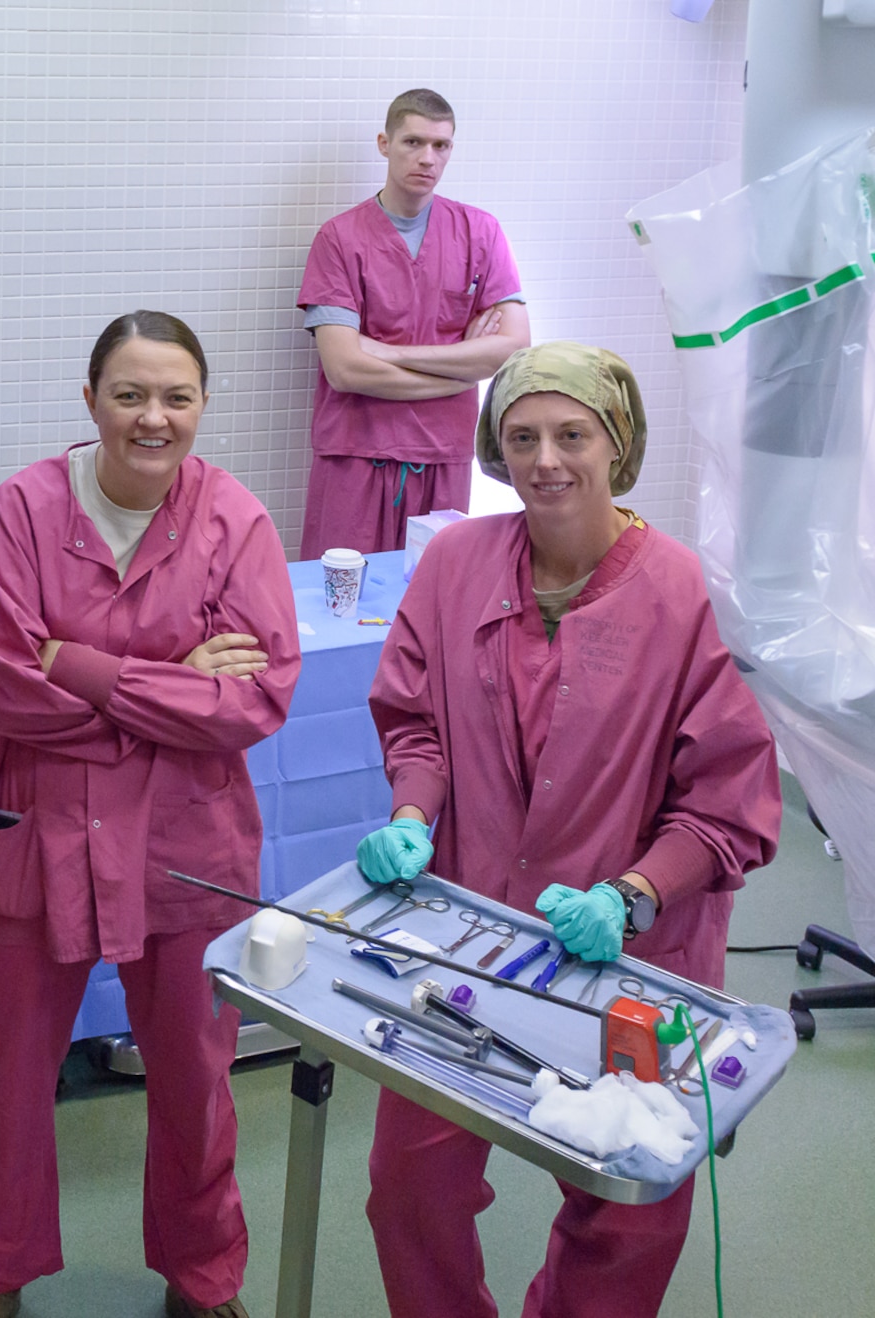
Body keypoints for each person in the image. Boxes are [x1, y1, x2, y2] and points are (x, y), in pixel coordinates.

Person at [354, 341, 780, 1318]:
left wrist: (630, 896)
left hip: (632, 954)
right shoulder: (456, 562)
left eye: (570, 434)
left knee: (626, 1208)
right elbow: (413, 715)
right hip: (463, 936)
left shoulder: (679, 594)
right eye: (520, 437)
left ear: (614, 442)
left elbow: (728, 798)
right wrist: (413, 810)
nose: (544, 459)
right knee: (408, 1186)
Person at [0, 312, 301, 1318]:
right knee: (12, 1072)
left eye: (176, 396)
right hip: (39, 826)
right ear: (90, 397)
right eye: (130, 394)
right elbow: (6, 686)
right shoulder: (19, 511)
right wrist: (165, 683)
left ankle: (202, 1274)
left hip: (187, 838)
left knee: (194, 1075)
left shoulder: (234, 522)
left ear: (200, 404)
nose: (153, 417)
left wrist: (85, 665)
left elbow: (253, 701)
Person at [296, 87, 531, 560]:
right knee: (339, 600)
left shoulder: (480, 233)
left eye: (440, 146)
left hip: (443, 458)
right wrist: (462, 371)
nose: (427, 158)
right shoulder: (339, 239)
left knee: (432, 600)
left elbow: (513, 349)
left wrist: (386, 351)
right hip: (354, 457)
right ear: (385, 143)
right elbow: (345, 370)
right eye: (413, 142)